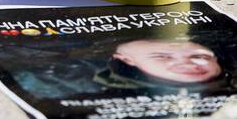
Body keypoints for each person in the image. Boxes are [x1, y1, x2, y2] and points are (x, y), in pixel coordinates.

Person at [96, 38, 230, 92]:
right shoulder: (94, 89)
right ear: (127, 60)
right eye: (162, 56)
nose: (185, 63)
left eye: (199, 56)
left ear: (216, 58)